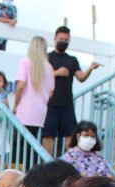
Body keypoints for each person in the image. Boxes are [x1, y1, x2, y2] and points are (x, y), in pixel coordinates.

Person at [43, 27, 100, 156]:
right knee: (48, 135)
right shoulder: (47, 57)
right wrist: (57, 72)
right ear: (55, 39)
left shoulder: (72, 60)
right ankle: (47, 164)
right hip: (49, 103)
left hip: (67, 104)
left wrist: (90, 68)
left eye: (66, 40)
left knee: (70, 135)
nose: (63, 42)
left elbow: (81, 78)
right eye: (61, 39)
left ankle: (70, 163)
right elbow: (40, 76)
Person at [13, 36, 55, 141]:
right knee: (32, 145)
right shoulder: (49, 67)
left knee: (18, 145)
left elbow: (20, 86)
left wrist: (15, 105)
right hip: (40, 113)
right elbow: (50, 93)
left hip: (24, 110)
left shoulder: (25, 61)